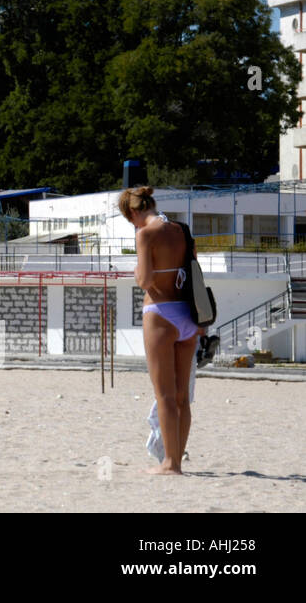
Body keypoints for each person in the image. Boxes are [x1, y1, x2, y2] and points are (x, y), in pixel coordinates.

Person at [121, 186, 198, 475]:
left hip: (161, 313)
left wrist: (140, 262)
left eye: (131, 220)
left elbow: (144, 280)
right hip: (188, 315)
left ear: (134, 212)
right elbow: (194, 269)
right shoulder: (182, 230)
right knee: (182, 397)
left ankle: (171, 463)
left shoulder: (145, 234)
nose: (134, 225)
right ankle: (176, 458)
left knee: (164, 395)